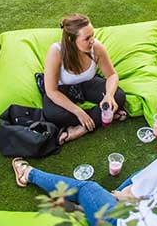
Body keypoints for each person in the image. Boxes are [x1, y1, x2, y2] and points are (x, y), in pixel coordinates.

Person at [12, 114, 157, 226]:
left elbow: (132, 193)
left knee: (89, 188)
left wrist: (117, 196)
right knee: (146, 175)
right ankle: (90, 206)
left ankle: (28, 173)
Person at [37, 14, 127, 144]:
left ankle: (81, 129)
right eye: (87, 38)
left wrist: (109, 96)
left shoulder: (96, 47)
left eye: (93, 35)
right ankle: (105, 116)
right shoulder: (56, 52)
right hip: (62, 90)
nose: (92, 41)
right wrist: (78, 112)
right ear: (71, 40)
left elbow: (112, 75)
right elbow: (51, 91)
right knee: (53, 114)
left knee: (119, 96)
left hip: (87, 84)